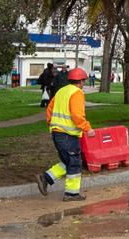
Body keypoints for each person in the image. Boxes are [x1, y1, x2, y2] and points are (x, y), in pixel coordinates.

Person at [38, 66, 90, 200]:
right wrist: (87, 128)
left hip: (57, 133)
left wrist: (51, 124)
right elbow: (77, 115)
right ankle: (71, 194)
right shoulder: (77, 93)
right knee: (74, 162)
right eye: (84, 81)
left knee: (69, 161)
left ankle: (46, 178)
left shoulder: (61, 91)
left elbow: (49, 109)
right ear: (81, 81)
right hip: (68, 134)